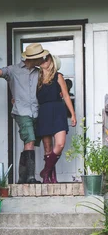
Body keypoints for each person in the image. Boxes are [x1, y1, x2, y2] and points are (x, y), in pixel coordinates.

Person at [0, 43, 48, 184]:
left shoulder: (38, 72)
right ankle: (31, 177)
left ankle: (22, 178)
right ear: (32, 58)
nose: (41, 60)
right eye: (39, 58)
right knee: (30, 140)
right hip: (22, 111)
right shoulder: (13, 70)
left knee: (29, 142)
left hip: (36, 112)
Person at [36, 53, 77, 183]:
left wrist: (73, 114)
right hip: (44, 112)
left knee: (60, 143)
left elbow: (65, 95)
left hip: (58, 111)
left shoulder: (58, 76)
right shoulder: (37, 78)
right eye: (41, 59)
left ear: (52, 61)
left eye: (46, 58)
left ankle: (45, 171)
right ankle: (50, 178)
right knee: (47, 149)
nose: (43, 60)